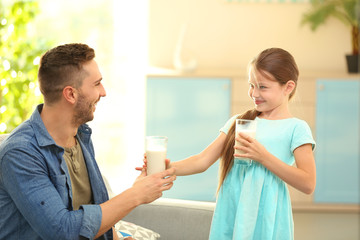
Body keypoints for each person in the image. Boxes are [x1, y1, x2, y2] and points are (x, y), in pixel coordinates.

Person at [0, 43, 176, 240]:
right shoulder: (20, 153)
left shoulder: (81, 136)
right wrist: (135, 195)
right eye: (96, 84)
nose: (103, 92)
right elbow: (63, 231)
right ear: (71, 94)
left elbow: (93, 211)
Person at [143, 48, 316, 239]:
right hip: (233, 209)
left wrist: (263, 157)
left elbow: (308, 183)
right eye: (251, 85)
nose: (254, 93)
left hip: (268, 216)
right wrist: (165, 168)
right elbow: (202, 160)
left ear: (288, 87)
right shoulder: (240, 122)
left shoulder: (296, 128)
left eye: (263, 87)